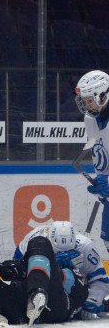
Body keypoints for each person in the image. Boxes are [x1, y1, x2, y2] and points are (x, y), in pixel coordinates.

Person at [0, 221, 101, 327]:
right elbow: (31, 274)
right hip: (21, 310)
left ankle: (37, 293)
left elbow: (58, 278)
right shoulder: (56, 267)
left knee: (39, 242)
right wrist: (14, 270)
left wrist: (21, 269)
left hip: (54, 308)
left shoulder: (75, 275)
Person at [74, 70, 109, 251]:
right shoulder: (91, 119)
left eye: (89, 100)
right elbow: (97, 148)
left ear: (103, 95)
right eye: (85, 101)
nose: (87, 105)